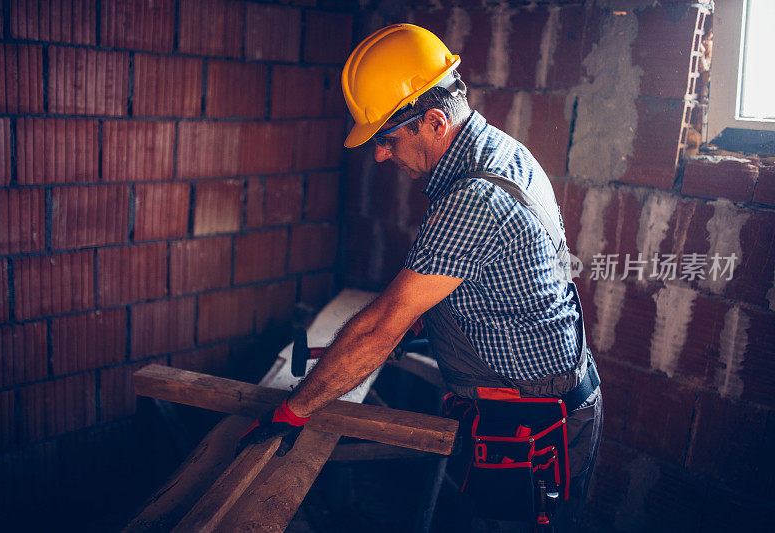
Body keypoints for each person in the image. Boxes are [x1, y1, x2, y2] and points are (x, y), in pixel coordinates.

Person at [238, 24, 602, 532]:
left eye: (387, 139)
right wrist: (427, 323)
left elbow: (377, 327)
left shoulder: (474, 196)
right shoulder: (498, 152)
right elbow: (496, 285)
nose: (381, 155)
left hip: (532, 424)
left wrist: (292, 413)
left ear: (433, 120)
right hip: (534, 403)